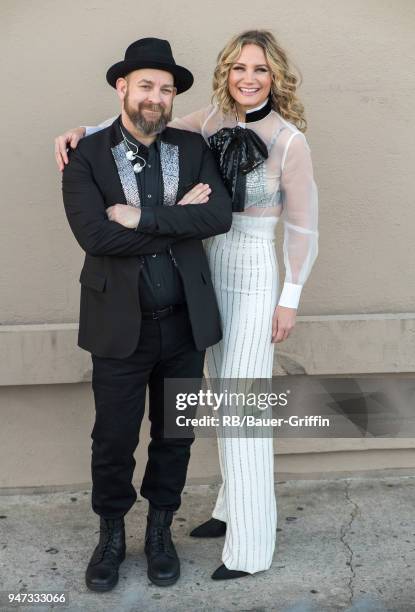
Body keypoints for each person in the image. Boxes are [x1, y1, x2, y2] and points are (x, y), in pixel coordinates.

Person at [56, 30, 319, 580]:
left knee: (240, 408)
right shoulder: (207, 122)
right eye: (239, 68)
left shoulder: (287, 140)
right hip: (202, 278)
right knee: (203, 405)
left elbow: (294, 226)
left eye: (261, 70)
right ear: (226, 73)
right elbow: (141, 121)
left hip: (246, 272)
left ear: (276, 78)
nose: (249, 79)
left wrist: (289, 298)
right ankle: (225, 509)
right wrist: (83, 131)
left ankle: (250, 547)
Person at [61, 36, 232, 592]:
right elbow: (94, 235)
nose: (156, 96)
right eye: (146, 85)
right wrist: (174, 217)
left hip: (186, 325)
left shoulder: (191, 147)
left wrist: (141, 217)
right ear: (122, 88)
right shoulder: (84, 154)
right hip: (119, 327)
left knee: (174, 437)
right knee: (112, 438)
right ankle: (111, 536)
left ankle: (160, 533)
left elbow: (219, 217)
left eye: (166, 88)